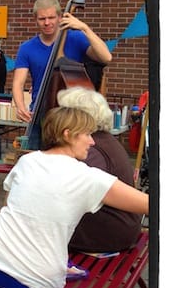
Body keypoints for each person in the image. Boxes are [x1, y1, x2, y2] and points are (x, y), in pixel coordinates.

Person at [0, 106, 148, 288]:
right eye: (88, 134)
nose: (92, 141)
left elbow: (8, 209)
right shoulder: (89, 178)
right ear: (68, 134)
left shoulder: (27, 161)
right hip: (31, 282)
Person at [56, 87, 143, 253]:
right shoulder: (104, 139)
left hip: (108, 233)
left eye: (65, 112)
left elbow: (70, 192)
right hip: (122, 227)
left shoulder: (91, 149)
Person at [11, 0, 112, 125]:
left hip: (73, 114)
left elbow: (106, 57)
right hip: (41, 112)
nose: (47, 23)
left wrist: (85, 28)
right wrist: (20, 106)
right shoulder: (26, 48)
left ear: (60, 17)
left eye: (51, 17)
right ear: (35, 20)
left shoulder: (76, 38)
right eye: (42, 19)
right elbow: (18, 83)